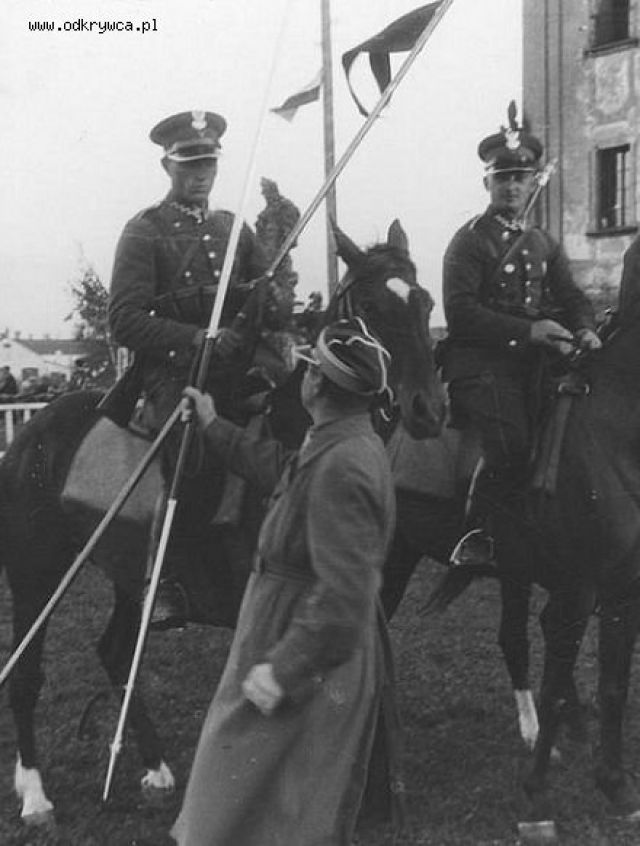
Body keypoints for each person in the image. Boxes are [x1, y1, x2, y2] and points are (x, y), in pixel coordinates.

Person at [171, 317, 402, 846]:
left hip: (302, 655)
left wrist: (283, 670)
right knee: (252, 812)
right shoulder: (340, 441)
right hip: (286, 636)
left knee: (255, 814)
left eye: (310, 367)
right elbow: (284, 470)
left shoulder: (345, 463)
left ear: (317, 382)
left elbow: (345, 593)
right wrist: (212, 424)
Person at [108, 110, 269, 625]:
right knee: (189, 449)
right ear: (168, 166)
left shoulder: (234, 228)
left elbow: (263, 298)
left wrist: (266, 309)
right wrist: (195, 339)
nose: (201, 174)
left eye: (209, 163)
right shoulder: (145, 230)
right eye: (190, 164)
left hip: (236, 368)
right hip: (174, 372)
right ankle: (165, 577)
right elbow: (124, 319)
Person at [441, 103, 602, 567]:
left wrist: (585, 328)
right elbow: (460, 313)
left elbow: (571, 295)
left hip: (535, 362)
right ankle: (479, 533)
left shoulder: (542, 241)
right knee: (511, 446)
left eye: (520, 177)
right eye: (503, 178)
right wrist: (530, 330)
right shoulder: (469, 240)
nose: (512, 186)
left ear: (532, 182)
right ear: (487, 184)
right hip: (481, 365)